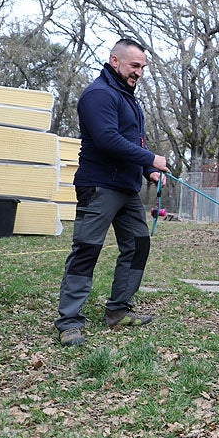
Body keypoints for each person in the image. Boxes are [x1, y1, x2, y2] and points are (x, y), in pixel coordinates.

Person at [55, 38, 168, 347]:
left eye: (143, 67)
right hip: (99, 186)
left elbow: (134, 144)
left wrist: (149, 170)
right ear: (115, 61)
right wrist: (151, 159)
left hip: (127, 189)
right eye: (134, 66)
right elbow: (107, 140)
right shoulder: (98, 95)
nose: (139, 73)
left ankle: (118, 310)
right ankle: (69, 321)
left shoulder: (129, 99)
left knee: (138, 244)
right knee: (87, 249)